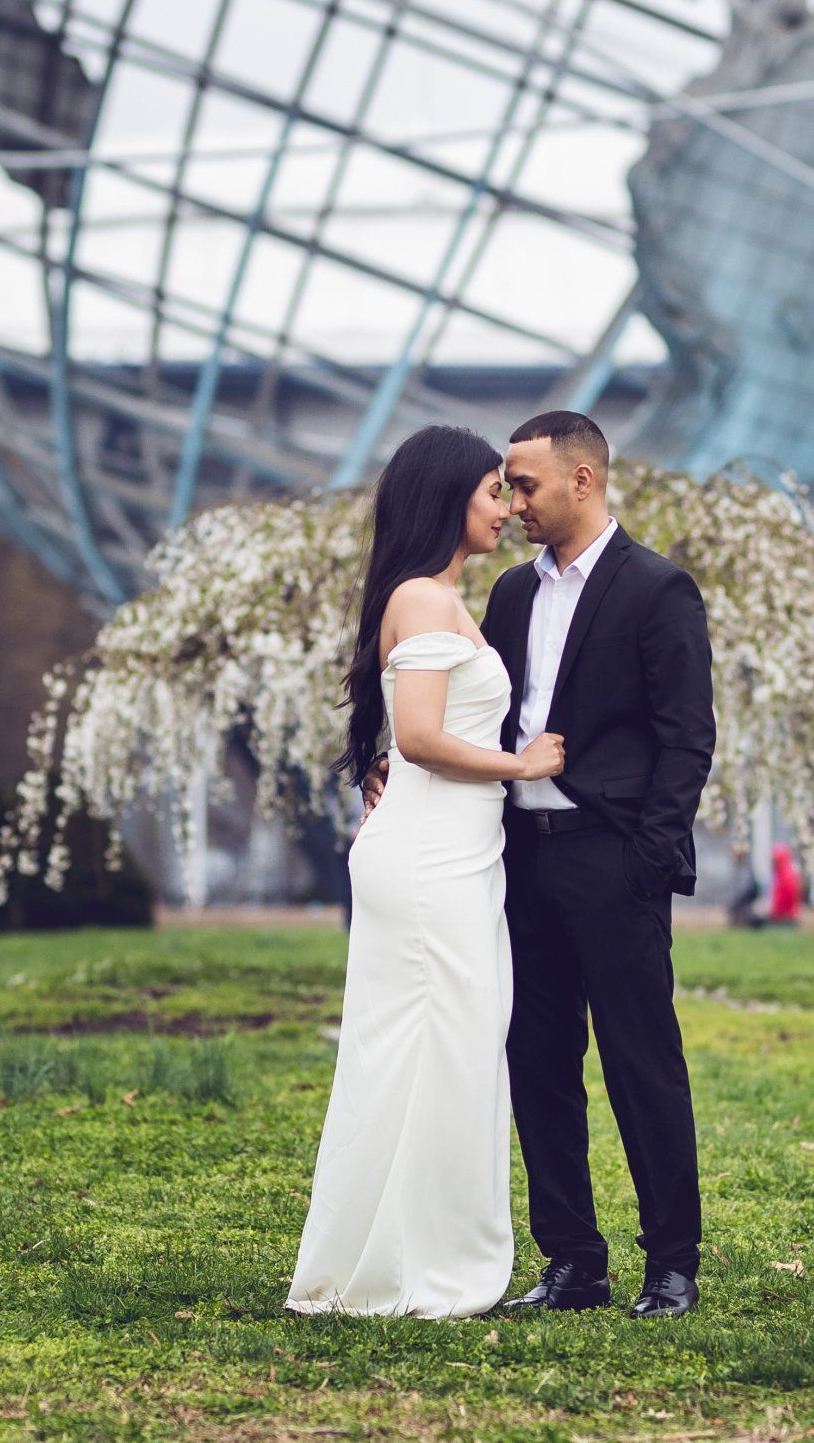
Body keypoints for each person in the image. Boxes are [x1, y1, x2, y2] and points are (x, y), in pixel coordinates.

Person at [287, 425, 565, 1318]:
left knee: (445, 1052)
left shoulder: (438, 599)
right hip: (429, 860)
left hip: (457, 855)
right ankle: (418, 1265)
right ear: (451, 498)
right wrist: (525, 765)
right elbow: (420, 736)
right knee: (438, 1052)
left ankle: (411, 1251)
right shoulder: (423, 597)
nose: (507, 508)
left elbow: (410, 735)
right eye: (494, 491)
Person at [485, 411, 715, 1320]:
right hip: (520, 863)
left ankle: (673, 1266)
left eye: (526, 484)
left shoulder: (658, 590)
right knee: (538, 1062)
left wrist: (647, 858)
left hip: (611, 861)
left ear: (583, 481)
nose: (512, 501)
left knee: (639, 1063)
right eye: (506, 484)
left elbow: (687, 740)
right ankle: (574, 1264)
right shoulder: (508, 595)